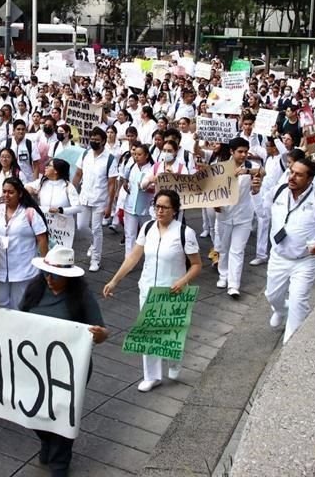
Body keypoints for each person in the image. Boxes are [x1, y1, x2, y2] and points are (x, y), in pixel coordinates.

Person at [103, 190, 204, 391]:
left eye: (164, 207)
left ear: (174, 210)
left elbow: (196, 265)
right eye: (157, 206)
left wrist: (183, 281)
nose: (159, 210)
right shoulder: (148, 227)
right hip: (148, 287)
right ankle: (152, 376)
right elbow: (133, 257)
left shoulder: (185, 233)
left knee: (169, 334)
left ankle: (174, 360)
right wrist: (115, 281)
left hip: (173, 290)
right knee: (149, 333)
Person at [21, 246, 109, 476]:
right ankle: (47, 441)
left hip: (70, 369)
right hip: (36, 364)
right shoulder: (35, 288)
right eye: (46, 274)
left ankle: (61, 461)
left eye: (55, 275)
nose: (49, 279)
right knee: (31, 410)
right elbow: (19, 318)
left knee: (62, 413)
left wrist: (99, 335)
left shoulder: (82, 297)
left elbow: (102, 332)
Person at [264, 156, 315, 344]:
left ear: (309, 179)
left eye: (298, 175)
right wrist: (255, 192)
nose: (291, 177)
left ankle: (290, 346)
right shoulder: (279, 192)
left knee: (299, 303)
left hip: (305, 261)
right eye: (291, 172)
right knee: (272, 296)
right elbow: (262, 211)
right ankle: (282, 310)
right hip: (278, 257)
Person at [0, 177, 49, 310]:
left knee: (19, 304)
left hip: (23, 268)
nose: (6, 195)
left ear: (20, 193)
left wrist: (45, 266)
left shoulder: (29, 213)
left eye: (11, 192)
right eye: (4, 191)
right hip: (0, 266)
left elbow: (42, 238)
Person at [213, 137, 262, 298]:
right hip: (224, 214)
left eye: (246, 152)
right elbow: (211, 191)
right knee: (223, 247)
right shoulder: (219, 168)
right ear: (231, 152)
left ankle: (234, 285)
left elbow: (262, 172)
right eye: (240, 152)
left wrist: (249, 176)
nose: (243, 155)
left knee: (238, 250)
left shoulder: (251, 166)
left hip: (244, 215)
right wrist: (215, 204)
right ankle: (223, 275)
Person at [72, 127, 119, 272]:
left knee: (96, 229)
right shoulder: (85, 154)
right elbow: (78, 174)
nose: (93, 142)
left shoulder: (110, 159)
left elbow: (112, 184)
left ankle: (96, 259)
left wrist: (109, 206)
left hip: (100, 199)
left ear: (104, 141)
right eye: (92, 139)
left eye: (97, 140)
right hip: (84, 197)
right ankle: (93, 244)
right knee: (81, 226)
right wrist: (71, 191)